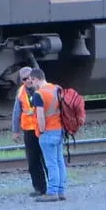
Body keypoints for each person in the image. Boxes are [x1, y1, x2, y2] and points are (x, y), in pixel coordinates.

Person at [28, 67, 67, 202]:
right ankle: (61, 191)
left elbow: (40, 116)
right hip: (60, 129)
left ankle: (52, 192)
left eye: (31, 81)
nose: (31, 84)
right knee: (59, 162)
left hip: (48, 131)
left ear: (35, 79)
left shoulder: (39, 94)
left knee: (51, 164)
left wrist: (42, 131)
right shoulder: (56, 88)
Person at [11, 66, 47, 196]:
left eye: (29, 78)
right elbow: (16, 112)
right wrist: (15, 131)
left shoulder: (43, 89)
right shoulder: (21, 92)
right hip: (29, 131)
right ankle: (39, 188)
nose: (28, 81)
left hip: (43, 129)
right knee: (33, 161)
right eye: (24, 79)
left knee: (47, 159)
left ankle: (53, 187)